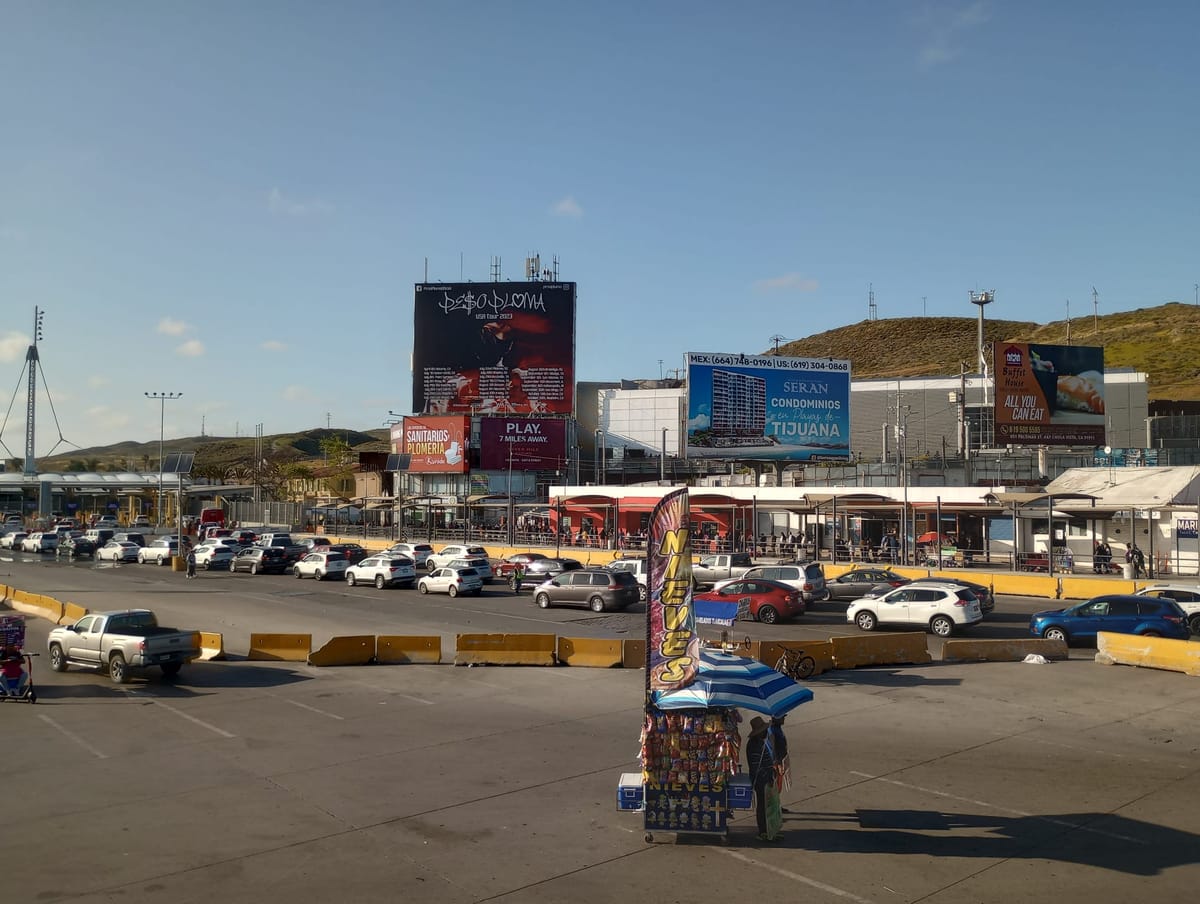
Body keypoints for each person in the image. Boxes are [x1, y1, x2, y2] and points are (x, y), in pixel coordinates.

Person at [746, 716, 781, 842]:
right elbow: (756, 767)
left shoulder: (760, 742)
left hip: (766, 778)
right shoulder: (754, 745)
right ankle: (763, 831)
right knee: (762, 806)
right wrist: (767, 778)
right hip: (761, 781)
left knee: (768, 806)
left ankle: (769, 830)